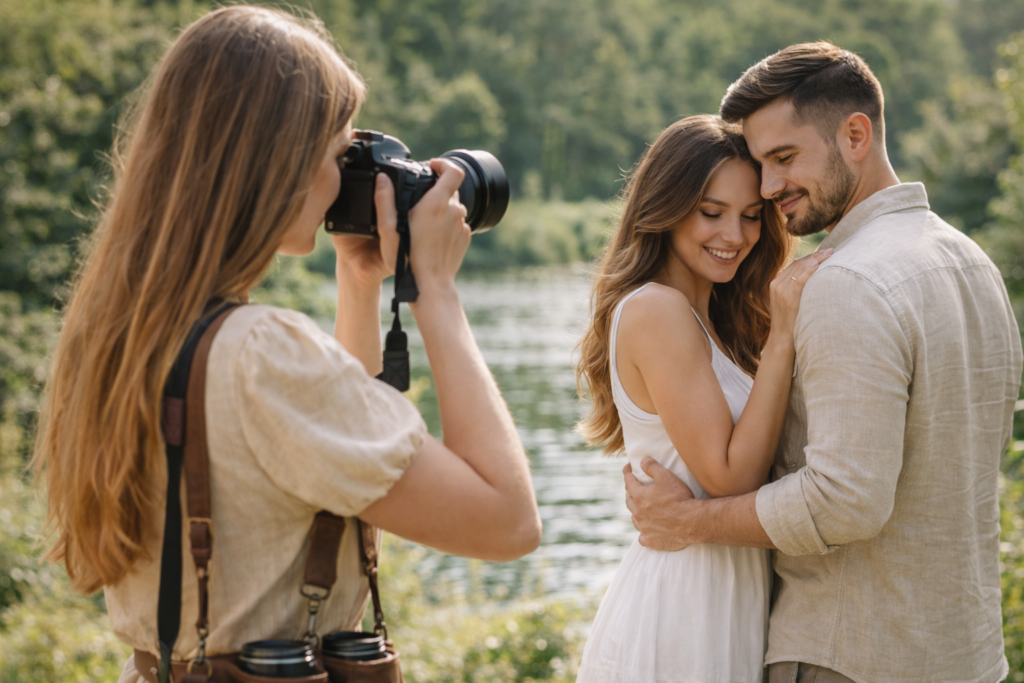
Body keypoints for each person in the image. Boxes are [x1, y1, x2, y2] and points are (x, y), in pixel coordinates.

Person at [30, 6, 541, 681]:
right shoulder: (262, 351)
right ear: (277, 164)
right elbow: (507, 521)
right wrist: (437, 292)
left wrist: (359, 281)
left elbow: (331, 452)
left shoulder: (125, 328)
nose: (341, 181)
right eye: (336, 155)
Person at [624, 42, 1023, 683]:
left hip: (852, 656)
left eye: (785, 158)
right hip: (967, 657)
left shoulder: (847, 280)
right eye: (762, 164)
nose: (771, 185)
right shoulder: (973, 262)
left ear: (856, 134)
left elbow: (843, 503)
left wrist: (688, 519)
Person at [574, 114, 831, 683]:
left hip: (725, 590)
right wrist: (784, 336)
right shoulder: (656, 310)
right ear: (664, 209)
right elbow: (730, 478)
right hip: (684, 604)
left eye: (750, 216)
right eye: (711, 213)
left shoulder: (715, 318)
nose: (734, 236)